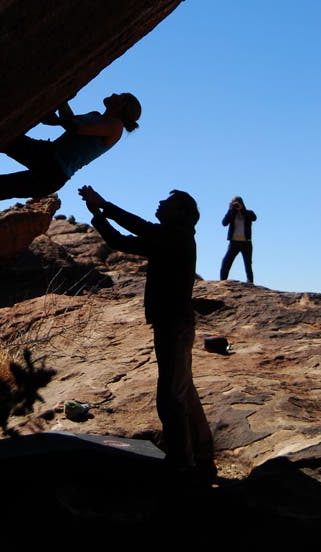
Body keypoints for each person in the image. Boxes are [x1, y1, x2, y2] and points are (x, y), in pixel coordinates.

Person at [78, 183, 216, 482]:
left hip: (173, 325)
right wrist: (99, 213)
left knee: (170, 397)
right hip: (174, 323)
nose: (160, 203)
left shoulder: (174, 236)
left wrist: (103, 206)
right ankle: (202, 451)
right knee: (182, 388)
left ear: (180, 213)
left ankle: (182, 462)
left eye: (168, 203)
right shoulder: (172, 237)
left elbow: (132, 232)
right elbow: (127, 236)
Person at [0, 92, 141, 224]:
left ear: (122, 105)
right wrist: (61, 103)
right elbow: (69, 120)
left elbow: (76, 127)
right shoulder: (98, 116)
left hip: (52, 172)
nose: (114, 94)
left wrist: (59, 109)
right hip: (47, 155)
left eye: (120, 96)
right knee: (4, 138)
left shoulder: (115, 126)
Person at [219, 196, 257, 283]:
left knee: (248, 264)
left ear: (242, 203)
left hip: (246, 243)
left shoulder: (248, 213)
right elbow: (224, 223)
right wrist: (230, 210)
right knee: (226, 262)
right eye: (234, 203)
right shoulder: (232, 213)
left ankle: (250, 282)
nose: (236, 205)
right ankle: (222, 282)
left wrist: (242, 209)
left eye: (237, 203)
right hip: (234, 242)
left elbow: (254, 218)